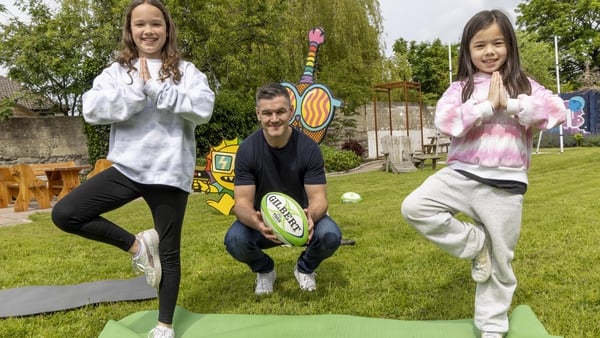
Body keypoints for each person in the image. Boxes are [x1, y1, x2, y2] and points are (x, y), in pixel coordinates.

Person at [51, 0, 214, 337]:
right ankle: (138, 247)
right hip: (128, 168)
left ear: (167, 29)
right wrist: (138, 93)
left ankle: (164, 325)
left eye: (155, 23)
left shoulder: (188, 71)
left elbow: (202, 109)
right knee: (66, 213)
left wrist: (158, 88)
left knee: (169, 251)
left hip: (169, 171)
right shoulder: (117, 72)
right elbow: (92, 109)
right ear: (130, 30)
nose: (148, 30)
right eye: (140, 24)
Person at [400, 9, 566, 338]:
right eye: (480, 45)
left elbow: (557, 112)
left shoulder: (525, 85)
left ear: (510, 46)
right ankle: (476, 244)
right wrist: (486, 106)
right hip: (460, 176)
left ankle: (491, 328)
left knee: (501, 263)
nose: (489, 52)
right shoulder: (459, 88)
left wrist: (513, 104)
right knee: (415, 207)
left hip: (505, 185)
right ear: (468, 51)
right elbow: (445, 122)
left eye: (497, 43)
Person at [224, 83, 342, 295]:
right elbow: (241, 204)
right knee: (235, 240)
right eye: (267, 113)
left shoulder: (308, 148)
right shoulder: (247, 150)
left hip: (303, 220)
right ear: (258, 114)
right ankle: (265, 270)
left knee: (331, 235)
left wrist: (311, 217)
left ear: (291, 112)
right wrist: (257, 222)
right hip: (264, 221)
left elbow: (319, 199)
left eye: (280, 111)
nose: (274, 119)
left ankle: (304, 268)